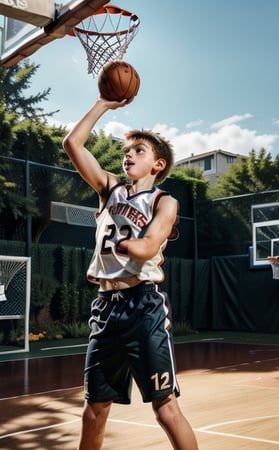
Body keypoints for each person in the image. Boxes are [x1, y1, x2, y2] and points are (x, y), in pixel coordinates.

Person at [63, 95, 198, 450]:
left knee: (165, 409)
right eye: (126, 151)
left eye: (138, 151)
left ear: (158, 164)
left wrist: (122, 246)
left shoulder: (164, 201)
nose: (128, 155)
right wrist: (102, 104)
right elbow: (72, 143)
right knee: (94, 411)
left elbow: (148, 246)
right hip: (106, 307)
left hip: (143, 307)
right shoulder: (109, 189)